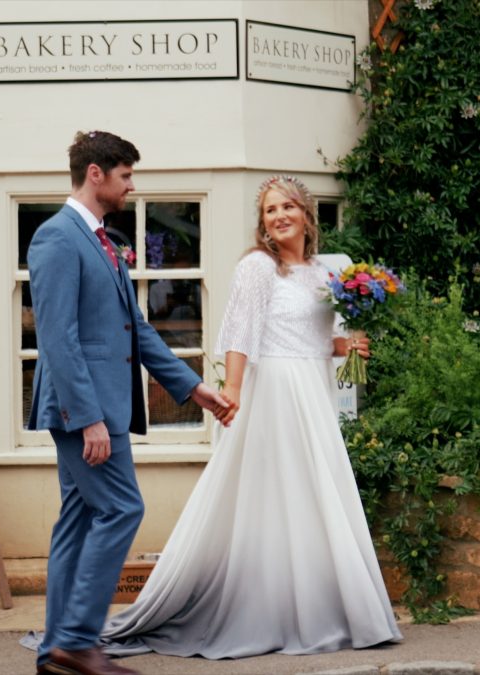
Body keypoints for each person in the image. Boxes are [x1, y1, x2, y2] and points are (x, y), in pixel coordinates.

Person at [100, 175, 402, 659]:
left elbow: (309, 338)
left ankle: (325, 607)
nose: (278, 216)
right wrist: (232, 391)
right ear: (262, 222)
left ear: (306, 213)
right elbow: (242, 332)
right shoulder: (258, 268)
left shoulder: (324, 274)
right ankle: (270, 610)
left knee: (313, 495)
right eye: (269, 210)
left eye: (287, 206)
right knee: (275, 495)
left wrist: (345, 346)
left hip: (314, 394)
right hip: (275, 392)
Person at [27, 130, 231, 675]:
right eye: (125, 176)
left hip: (101, 406)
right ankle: (76, 641)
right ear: (95, 174)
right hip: (84, 409)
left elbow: (135, 329)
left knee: (78, 519)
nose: (131, 186)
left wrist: (193, 389)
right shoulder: (56, 238)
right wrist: (88, 417)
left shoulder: (103, 240)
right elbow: (59, 338)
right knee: (123, 508)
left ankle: (56, 654)